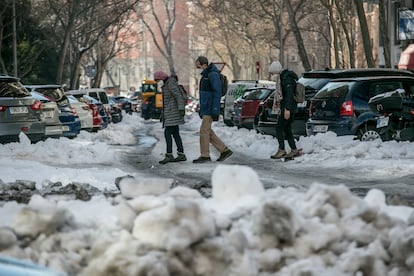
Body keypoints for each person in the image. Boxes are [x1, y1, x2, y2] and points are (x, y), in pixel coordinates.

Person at [193, 56, 233, 163]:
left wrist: (215, 109)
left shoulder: (212, 75)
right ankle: (224, 150)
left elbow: (217, 93)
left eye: (197, 65)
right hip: (207, 107)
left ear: (202, 64)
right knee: (207, 131)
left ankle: (205, 155)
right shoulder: (206, 75)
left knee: (204, 131)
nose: (197, 67)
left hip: (210, 108)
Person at [269, 61, 301, 159]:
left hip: (288, 108)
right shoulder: (284, 77)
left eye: (273, 73)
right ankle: (294, 149)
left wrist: (287, 109)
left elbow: (289, 95)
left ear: (277, 71)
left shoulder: (286, 79)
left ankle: (282, 150)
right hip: (289, 108)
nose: (273, 76)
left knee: (279, 128)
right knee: (287, 129)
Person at [154, 70, 187, 164]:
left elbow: (178, 96)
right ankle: (181, 154)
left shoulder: (170, 83)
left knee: (167, 133)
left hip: (173, 112)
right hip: (170, 112)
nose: (158, 82)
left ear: (162, 78)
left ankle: (169, 155)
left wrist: (181, 108)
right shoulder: (167, 84)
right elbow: (166, 102)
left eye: (158, 80)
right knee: (175, 133)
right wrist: (163, 114)